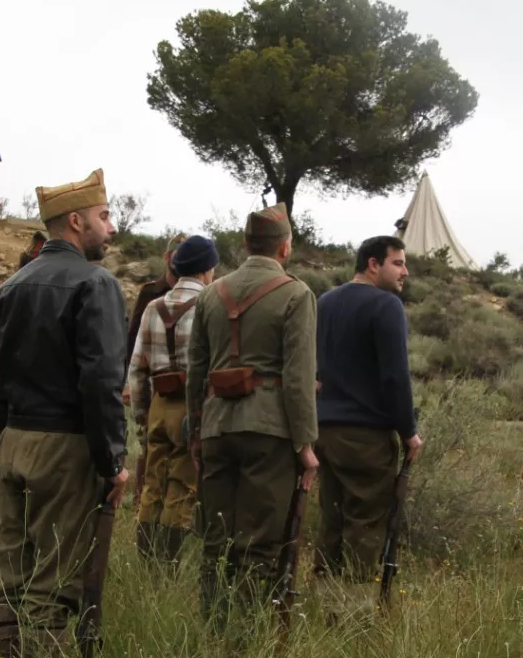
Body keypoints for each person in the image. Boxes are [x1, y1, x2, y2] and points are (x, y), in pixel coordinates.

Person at [0, 169, 128, 658]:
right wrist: (112, 458)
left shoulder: (12, 284)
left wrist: (7, 436)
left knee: (7, 580)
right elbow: (101, 380)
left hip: (13, 441)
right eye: (104, 216)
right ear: (75, 221)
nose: (111, 228)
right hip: (66, 446)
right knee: (52, 584)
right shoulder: (96, 284)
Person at [188, 204, 318, 628]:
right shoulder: (296, 294)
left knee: (215, 541)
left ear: (245, 244)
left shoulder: (210, 293)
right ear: (285, 247)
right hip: (270, 430)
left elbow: (196, 370)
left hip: (215, 427)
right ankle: (245, 641)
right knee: (260, 543)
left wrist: (195, 433)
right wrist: (305, 442)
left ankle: (213, 629)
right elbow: (298, 377)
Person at [312, 236, 423, 613]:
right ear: (373, 264)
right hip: (365, 435)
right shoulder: (386, 304)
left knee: (332, 518)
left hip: (323, 429)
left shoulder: (325, 302)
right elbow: (396, 376)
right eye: (398, 263)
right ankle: (353, 612)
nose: (405, 271)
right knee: (366, 522)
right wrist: (408, 430)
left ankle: (323, 602)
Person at [126, 234, 219, 565]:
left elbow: (137, 370)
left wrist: (141, 419)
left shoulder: (153, 306)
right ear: (208, 268)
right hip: (190, 407)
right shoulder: (210, 305)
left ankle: (145, 562)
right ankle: (166, 569)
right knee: (183, 486)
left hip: (157, 406)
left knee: (152, 484)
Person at [126, 233, 188, 360]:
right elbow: (134, 336)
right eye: (177, 256)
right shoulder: (149, 292)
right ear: (166, 257)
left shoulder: (197, 294)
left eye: (186, 257)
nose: (181, 261)